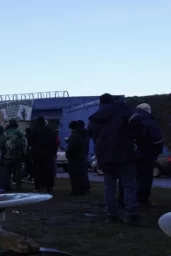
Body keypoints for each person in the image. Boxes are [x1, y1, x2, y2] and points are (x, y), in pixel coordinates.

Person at [88, 93, 139, 225]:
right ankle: (131, 214)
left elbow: (92, 136)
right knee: (129, 185)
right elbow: (137, 124)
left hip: (104, 155)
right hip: (124, 153)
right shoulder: (122, 111)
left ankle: (111, 214)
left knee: (109, 187)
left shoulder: (94, 118)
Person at [128, 103, 164, 204]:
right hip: (147, 155)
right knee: (145, 178)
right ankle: (142, 199)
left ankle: (127, 199)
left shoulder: (128, 119)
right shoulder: (150, 122)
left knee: (130, 178)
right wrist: (156, 153)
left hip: (130, 154)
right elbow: (157, 140)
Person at [29, 116, 57, 193]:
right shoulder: (49, 131)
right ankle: (49, 187)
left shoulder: (34, 131)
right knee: (48, 171)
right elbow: (54, 143)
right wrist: (54, 153)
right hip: (48, 154)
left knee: (37, 171)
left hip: (36, 154)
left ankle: (37, 187)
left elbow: (30, 143)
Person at [0, 119, 27, 191]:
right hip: (17, 155)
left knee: (7, 172)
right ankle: (18, 187)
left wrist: (3, 154)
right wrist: (24, 153)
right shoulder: (19, 132)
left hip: (7, 155)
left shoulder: (5, 133)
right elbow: (24, 143)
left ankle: (7, 186)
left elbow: (1, 144)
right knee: (18, 171)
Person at [66, 120, 88, 195]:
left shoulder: (75, 135)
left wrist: (67, 154)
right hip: (80, 157)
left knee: (74, 176)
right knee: (80, 175)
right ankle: (82, 190)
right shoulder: (82, 134)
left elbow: (71, 147)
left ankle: (75, 190)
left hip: (74, 158)